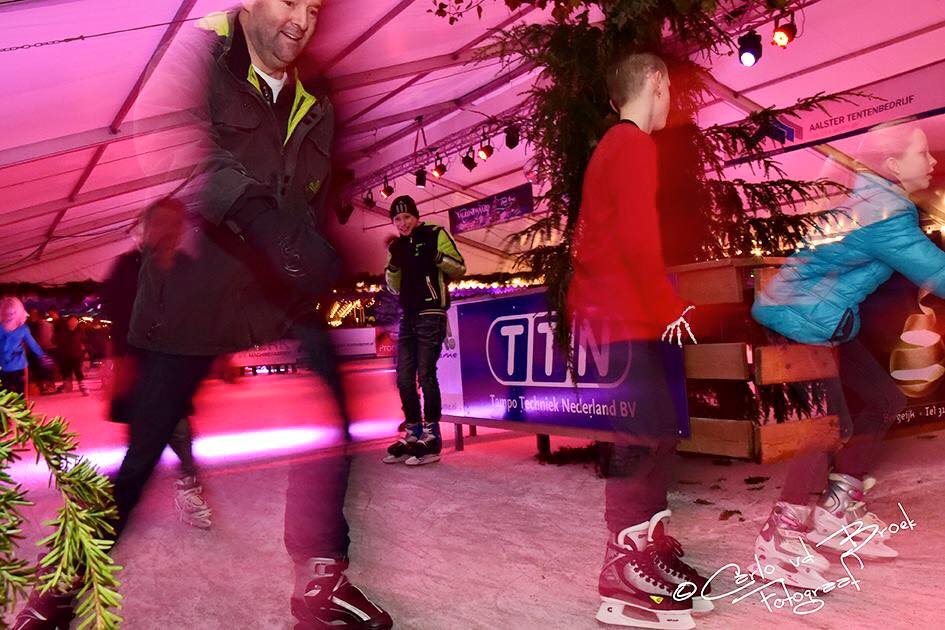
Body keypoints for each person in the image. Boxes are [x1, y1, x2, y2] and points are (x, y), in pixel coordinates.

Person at [14, 2, 391, 629]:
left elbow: (313, 188)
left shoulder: (318, 91)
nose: (302, 20)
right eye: (289, 0)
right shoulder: (198, 52)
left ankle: (322, 577)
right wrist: (258, 218)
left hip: (277, 290)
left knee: (335, 425)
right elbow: (181, 150)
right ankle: (60, 595)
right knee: (142, 457)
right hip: (194, 287)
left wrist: (317, 247)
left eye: (315, 7)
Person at [751, 122, 940, 585]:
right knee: (824, 427)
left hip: (822, 319)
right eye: (923, 153)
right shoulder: (885, 211)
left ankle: (835, 508)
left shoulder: (872, 198)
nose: (933, 161)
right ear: (893, 165)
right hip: (800, 322)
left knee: (883, 400)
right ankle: (781, 535)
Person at [566, 51, 708, 629]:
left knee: (654, 430)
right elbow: (635, 240)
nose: (671, 100)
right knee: (638, 435)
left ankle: (646, 546)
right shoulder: (630, 146)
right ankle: (620, 569)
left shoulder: (616, 147)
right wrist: (668, 305)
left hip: (623, 313)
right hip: (619, 315)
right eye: (669, 88)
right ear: (654, 83)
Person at [99, 200, 212, 529]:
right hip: (140, 374)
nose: (169, 230)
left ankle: (185, 488)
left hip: (173, 373)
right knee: (147, 445)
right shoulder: (127, 268)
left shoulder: (187, 268)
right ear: (147, 229)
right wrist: (121, 367)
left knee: (176, 433)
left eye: (174, 224)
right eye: (161, 223)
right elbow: (120, 324)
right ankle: (106, 519)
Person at [383, 195, 466, 466]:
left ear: (416, 216)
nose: (403, 223)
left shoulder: (434, 233)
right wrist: (393, 266)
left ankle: (431, 436)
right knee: (404, 378)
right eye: (397, 218)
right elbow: (394, 286)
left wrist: (437, 256)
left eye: (407, 217)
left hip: (432, 313)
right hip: (408, 315)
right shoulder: (397, 246)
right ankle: (413, 432)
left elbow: (459, 268)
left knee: (426, 374)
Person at [1, 297, 53, 395]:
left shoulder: (20, 329)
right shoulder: (7, 328)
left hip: (13, 365)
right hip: (11, 365)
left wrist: (42, 355)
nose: (10, 316)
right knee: (11, 392)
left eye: (12, 313)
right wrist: (42, 356)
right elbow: (32, 344)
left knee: (13, 392)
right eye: (8, 313)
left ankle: (15, 408)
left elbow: (32, 344)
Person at [55, 315, 89, 396]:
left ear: (77, 322)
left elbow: (85, 341)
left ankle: (83, 387)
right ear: (68, 322)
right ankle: (68, 386)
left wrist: (85, 348)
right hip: (65, 355)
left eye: (75, 321)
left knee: (78, 371)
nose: (73, 322)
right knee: (67, 372)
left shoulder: (80, 330)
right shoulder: (63, 331)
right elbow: (57, 341)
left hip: (77, 355)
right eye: (71, 320)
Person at [26, 308, 56, 394]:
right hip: (32, 351)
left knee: (46, 368)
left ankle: (48, 385)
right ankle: (42, 386)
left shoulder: (43, 324)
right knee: (37, 369)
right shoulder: (27, 325)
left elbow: (50, 336)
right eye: (31, 313)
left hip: (43, 349)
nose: (33, 315)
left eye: (35, 313)